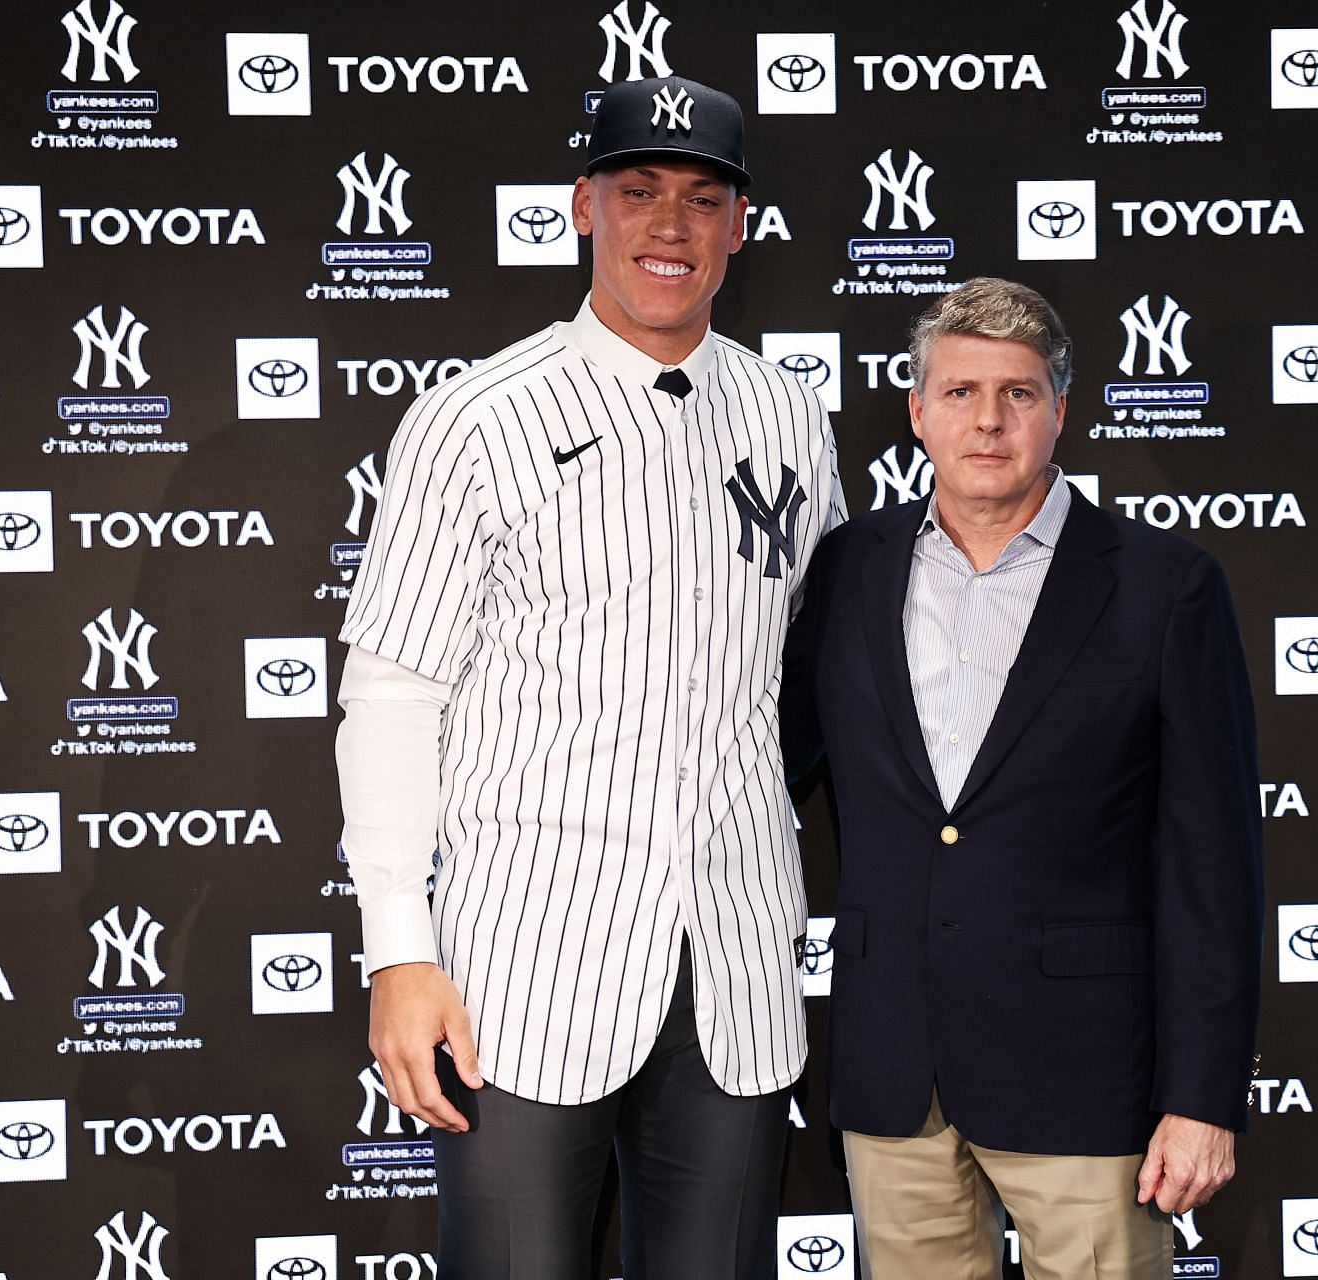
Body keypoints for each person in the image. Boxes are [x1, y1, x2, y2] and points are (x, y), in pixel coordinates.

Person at [335, 75, 844, 1279]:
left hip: (733, 961)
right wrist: (399, 948)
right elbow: (395, 694)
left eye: (701, 197)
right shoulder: (477, 417)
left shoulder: (790, 417)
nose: (669, 225)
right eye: (638, 191)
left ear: (740, 224)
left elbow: (816, 675)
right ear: (582, 206)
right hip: (523, 964)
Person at [783, 277, 1262, 1280]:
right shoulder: (845, 570)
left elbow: (1214, 865)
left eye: (1019, 392)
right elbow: (765, 766)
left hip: (1086, 1076)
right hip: (894, 1072)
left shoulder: (1167, 585)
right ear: (917, 410)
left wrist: (1204, 1094)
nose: (988, 420)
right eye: (959, 392)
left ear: (1061, 409)